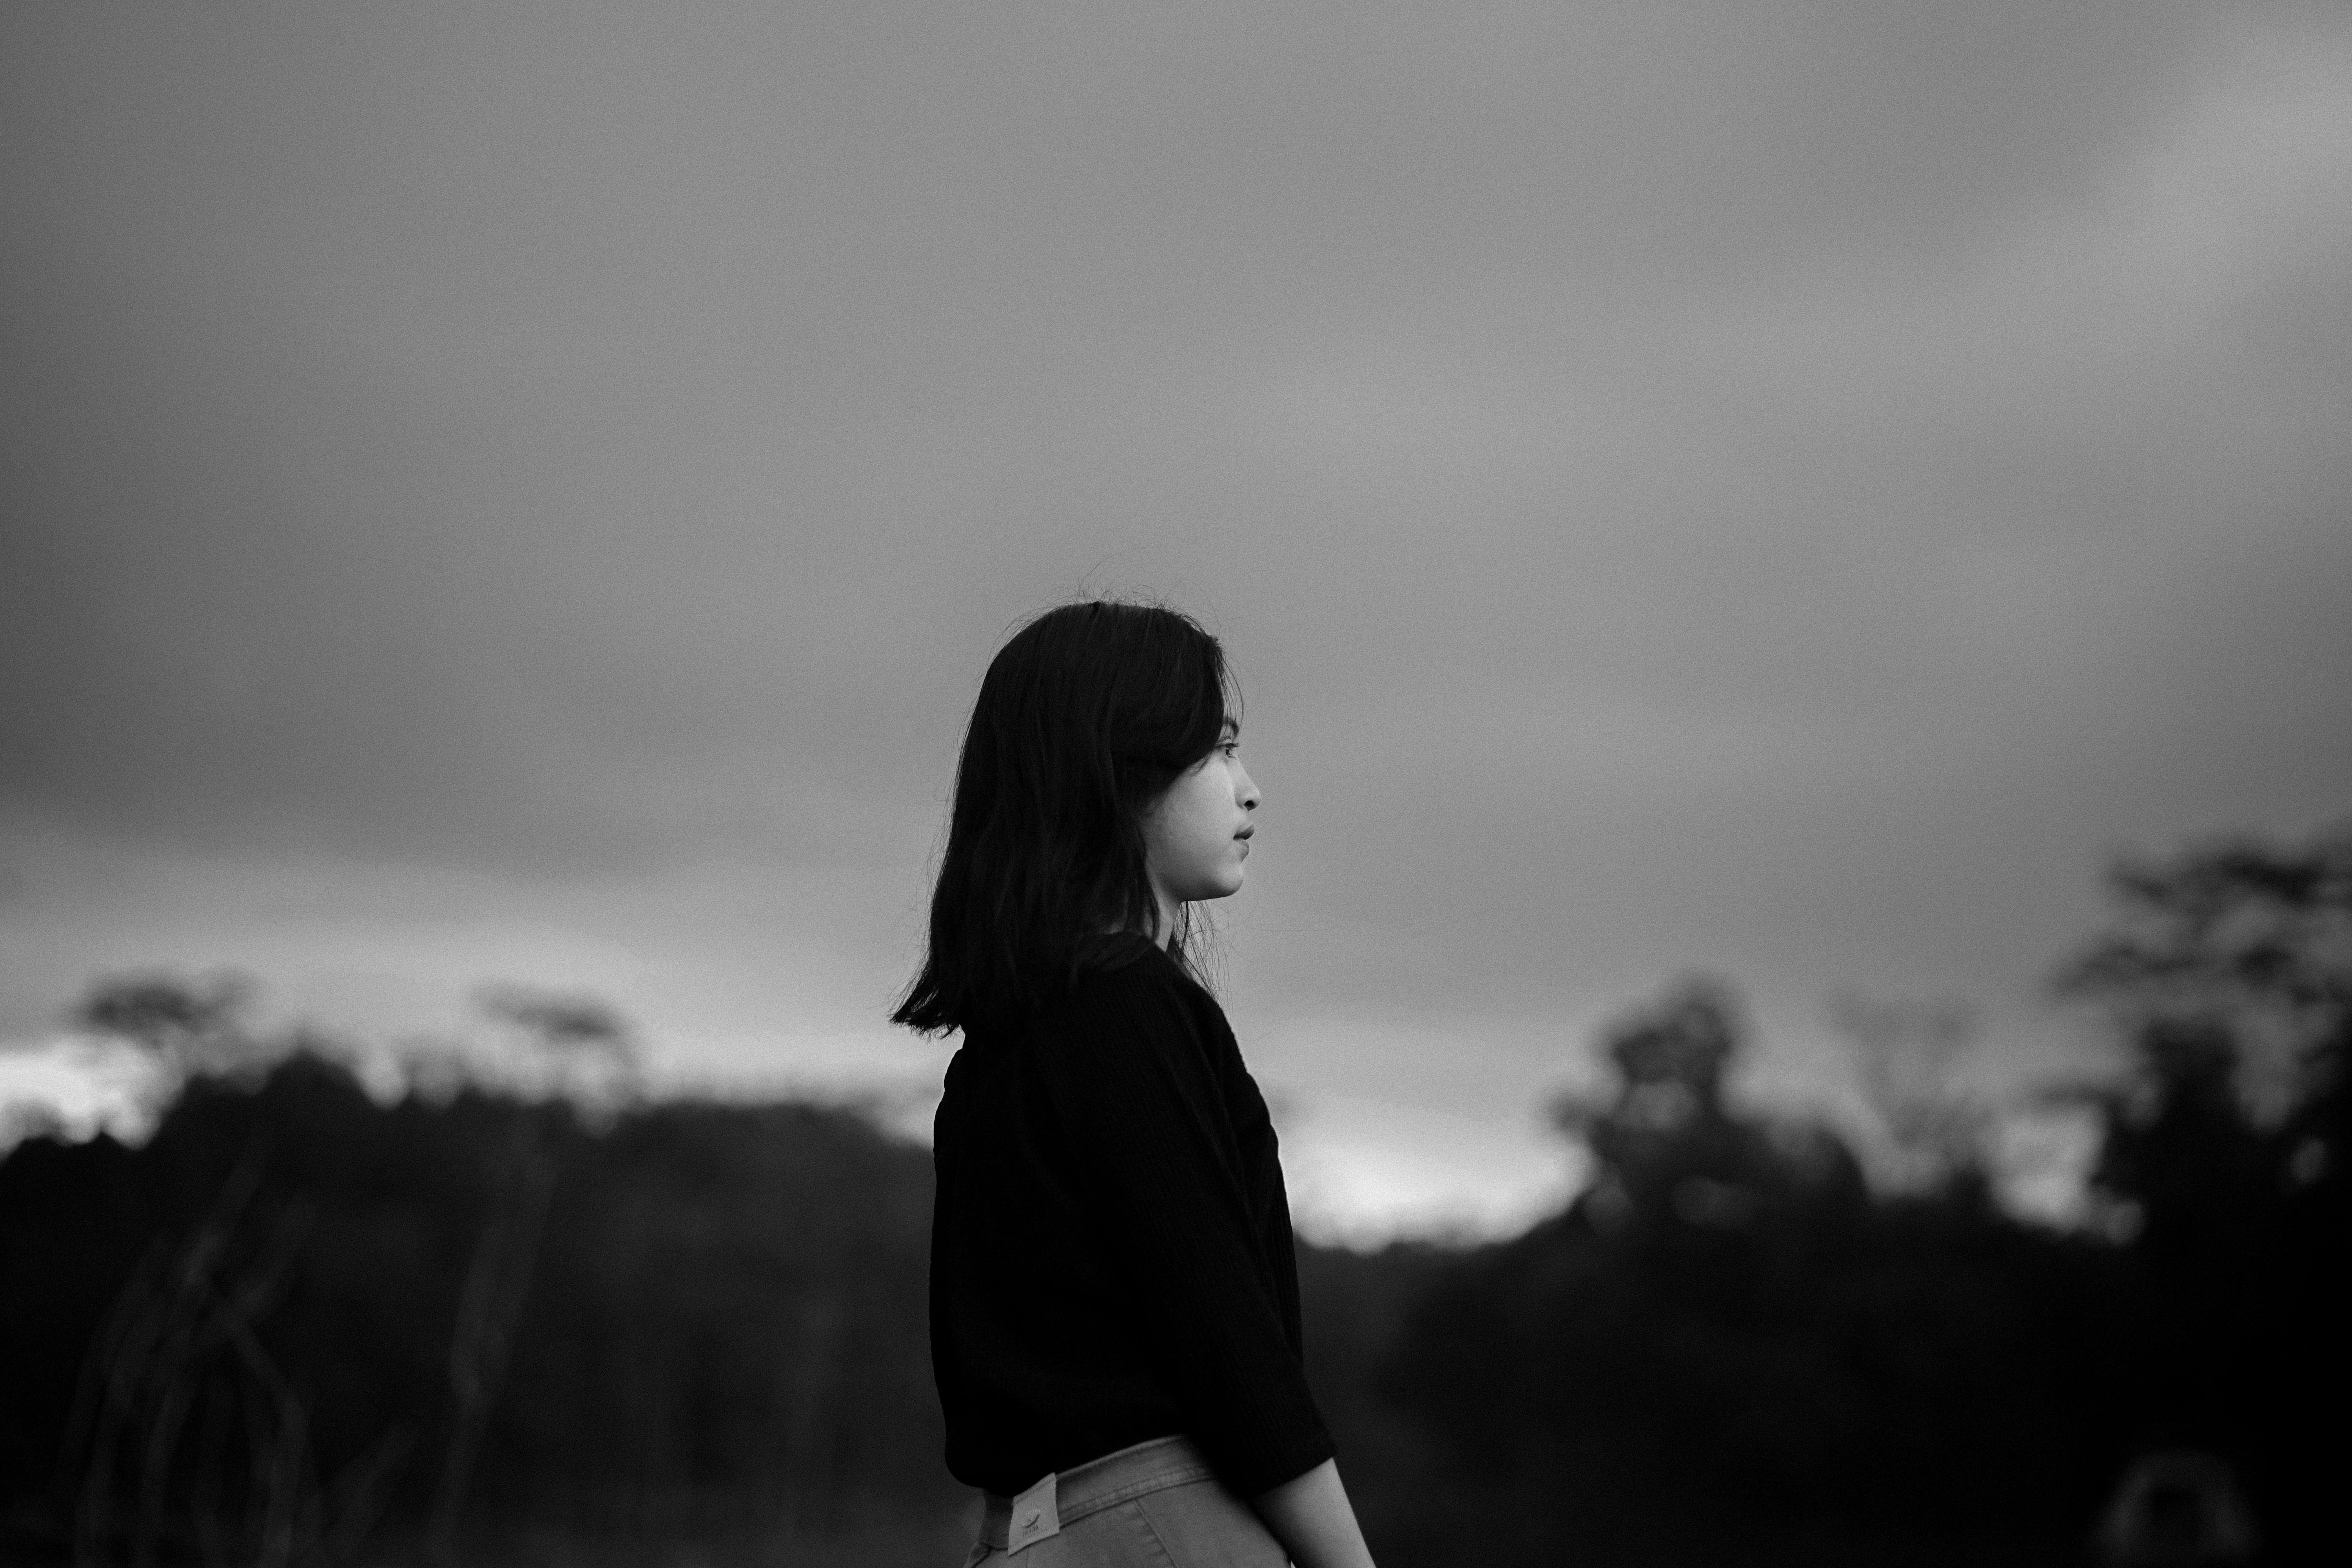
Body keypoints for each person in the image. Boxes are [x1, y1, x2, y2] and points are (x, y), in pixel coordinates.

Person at [896, 601, 1378, 1568]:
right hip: (1161, 1522)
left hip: (1025, 1535)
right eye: (1217, 751)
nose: (1248, 790)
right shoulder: (1127, 1010)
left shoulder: (1001, 1046)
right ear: (1120, 770)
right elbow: (1225, 1340)